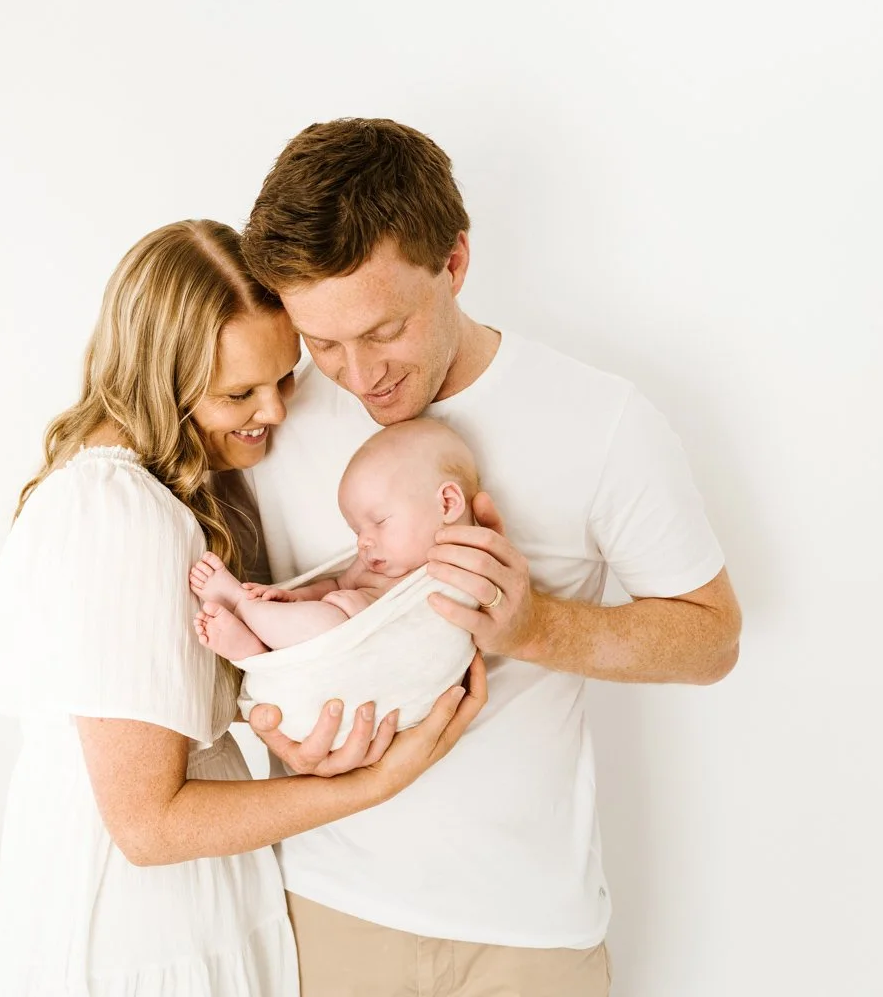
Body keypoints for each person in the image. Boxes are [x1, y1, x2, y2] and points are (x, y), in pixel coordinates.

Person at [239, 119, 744, 996]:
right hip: (322, 908)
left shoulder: (603, 421)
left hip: (529, 935)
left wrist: (539, 626)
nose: (358, 376)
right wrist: (278, 731)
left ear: (456, 262)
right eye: (323, 342)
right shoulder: (268, 426)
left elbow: (712, 642)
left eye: (385, 328)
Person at [0, 218, 486, 996]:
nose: (272, 413)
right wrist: (366, 786)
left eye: (283, 380)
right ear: (157, 376)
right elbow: (148, 825)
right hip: (141, 934)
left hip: (153, 916)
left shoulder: (132, 493)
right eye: (238, 392)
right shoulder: (124, 512)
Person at [190, 418, 480, 657]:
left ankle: (243, 610)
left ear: (447, 504)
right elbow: (338, 583)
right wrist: (295, 597)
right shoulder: (371, 564)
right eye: (357, 531)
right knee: (319, 621)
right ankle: (253, 644)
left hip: (361, 651)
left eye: (379, 521)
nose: (363, 542)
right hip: (328, 643)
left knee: (326, 624)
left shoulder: (467, 566)